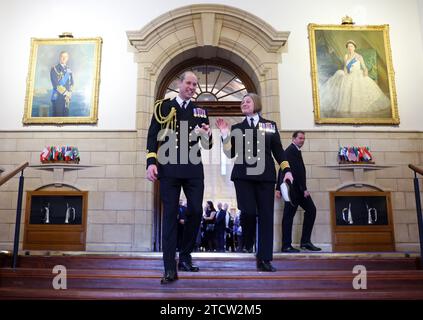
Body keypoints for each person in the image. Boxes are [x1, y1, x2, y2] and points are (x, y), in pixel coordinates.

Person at [146, 71, 213, 284]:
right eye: (189, 83)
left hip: (193, 168)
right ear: (179, 83)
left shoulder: (200, 111)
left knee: (195, 211)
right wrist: (151, 162)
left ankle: (185, 256)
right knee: (170, 216)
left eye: (195, 84)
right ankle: (169, 269)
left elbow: (207, 145)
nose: (192, 87)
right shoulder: (163, 107)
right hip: (169, 168)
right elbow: (152, 135)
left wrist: (208, 136)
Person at [216, 93, 293, 272]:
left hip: (265, 177)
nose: (244, 104)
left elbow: (278, 151)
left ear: (256, 104)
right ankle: (248, 240)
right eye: (242, 102)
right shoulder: (237, 127)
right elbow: (229, 153)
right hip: (243, 177)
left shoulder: (270, 126)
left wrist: (287, 170)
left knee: (266, 218)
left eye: (247, 101)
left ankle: (264, 259)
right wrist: (225, 134)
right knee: (249, 212)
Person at [276, 131, 321, 253]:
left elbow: (285, 170)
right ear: (293, 139)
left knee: (311, 210)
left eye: (303, 138)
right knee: (288, 217)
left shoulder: (294, 151)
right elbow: (289, 171)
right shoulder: (290, 151)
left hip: (298, 190)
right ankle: (286, 245)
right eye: (300, 138)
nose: (302, 140)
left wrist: (277, 188)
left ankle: (305, 242)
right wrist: (304, 188)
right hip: (294, 190)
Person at [320, 40, 390, 116]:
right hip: (349, 74)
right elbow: (346, 67)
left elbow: (364, 67)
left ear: (354, 47)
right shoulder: (346, 56)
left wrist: (365, 71)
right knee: (339, 74)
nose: (350, 48)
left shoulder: (359, 56)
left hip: (358, 74)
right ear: (347, 48)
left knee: (357, 85)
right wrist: (344, 73)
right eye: (349, 46)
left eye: (351, 46)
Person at [50, 51, 74, 117]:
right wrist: (66, 92)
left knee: (66, 117)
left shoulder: (69, 70)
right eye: (62, 56)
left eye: (65, 57)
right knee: (58, 118)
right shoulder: (54, 69)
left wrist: (70, 92)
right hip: (58, 98)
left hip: (67, 98)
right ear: (59, 57)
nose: (63, 58)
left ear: (67, 58)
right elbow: (56, 84)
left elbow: (72, 83)